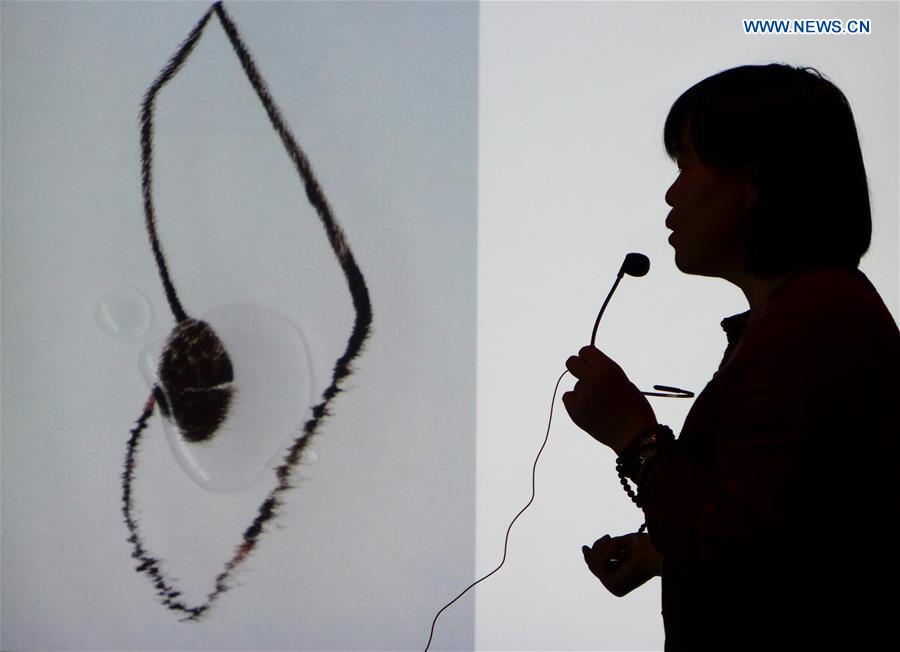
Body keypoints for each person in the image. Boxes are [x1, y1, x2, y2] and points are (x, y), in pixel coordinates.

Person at [563, 63, 899, 651]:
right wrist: (660, 548)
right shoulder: (811, 313)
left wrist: (636, 439)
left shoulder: (815, 324)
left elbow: (745, 548)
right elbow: (796, 527)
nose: (672, 192)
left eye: (687, 165)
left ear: (756, 181)